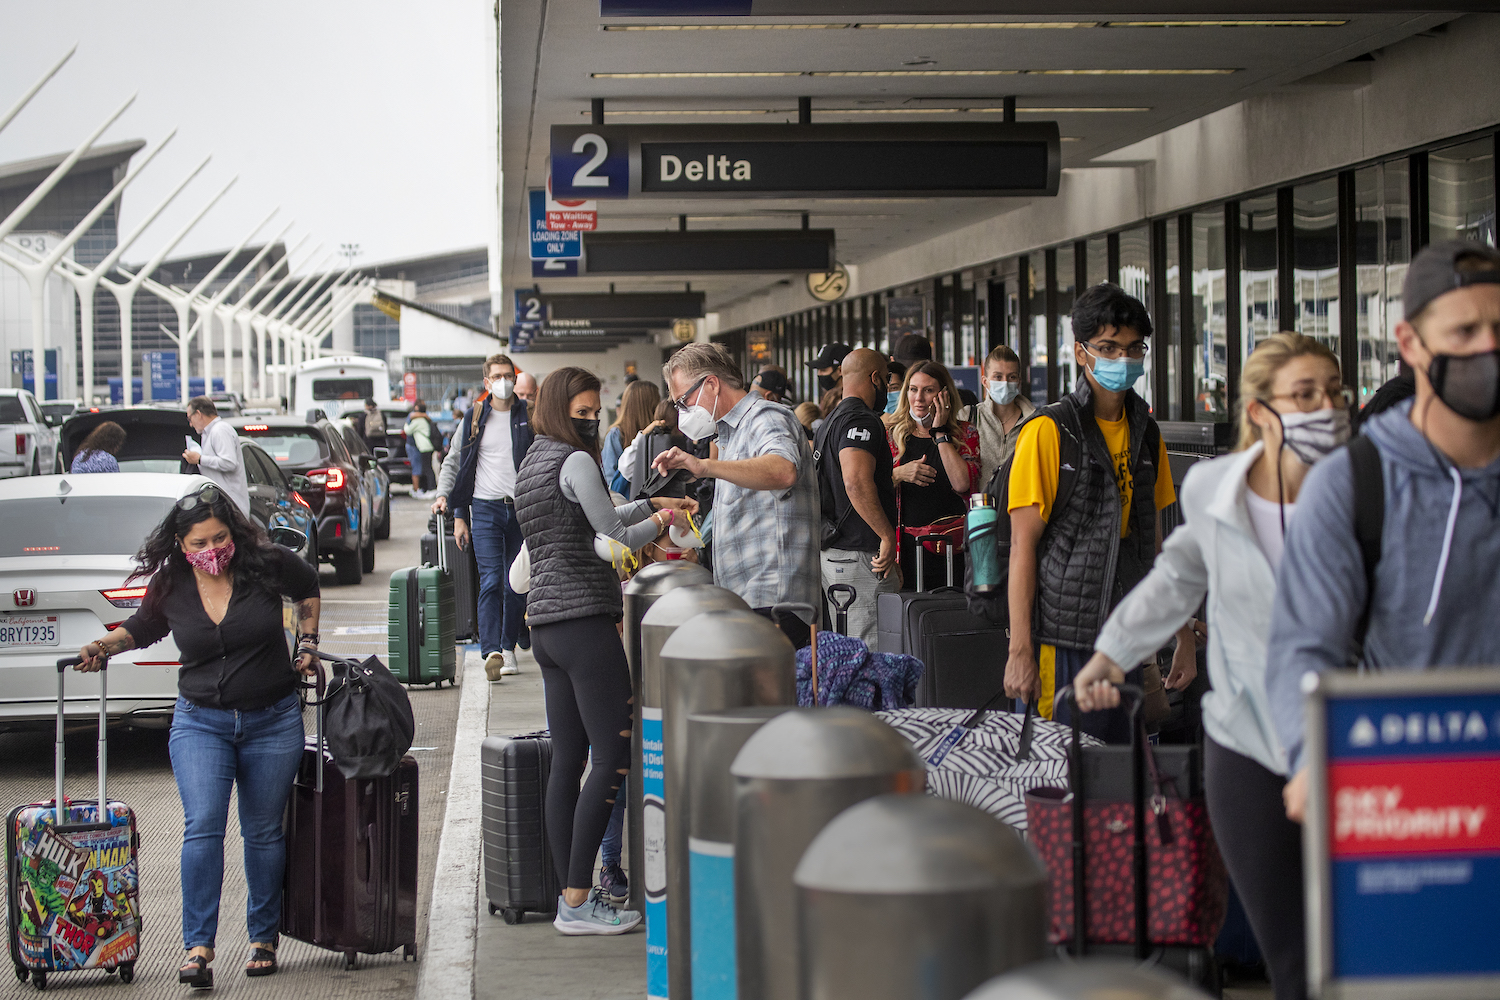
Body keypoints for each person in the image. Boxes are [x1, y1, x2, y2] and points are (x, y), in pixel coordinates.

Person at [1071, 332, 1347, 1000]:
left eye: (1333, 394)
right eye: (1304, 395)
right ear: (1259, 409)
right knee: (1293, 955)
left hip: (1349, 736)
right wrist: (1112, 656)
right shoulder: (1216, 492)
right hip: (1246, 736)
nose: (1327, 410)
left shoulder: (1362, 489)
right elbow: (1177, 577)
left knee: (1359, 944)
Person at [1268, 240, 1500, 826]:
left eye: (1499, 328)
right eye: (1465, 332)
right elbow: (1304, 647)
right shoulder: (1355, 485)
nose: (1488, 349)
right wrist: (1309, 758)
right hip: (1411, 797)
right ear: (1410, 345)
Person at [72, 483, 320, 984]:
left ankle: (261, 939)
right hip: (200, 721)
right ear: (182, 547)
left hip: (272, 719)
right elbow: (143, 626)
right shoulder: (173, 582)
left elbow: (308, 586)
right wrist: (103, 644)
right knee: (203, 827)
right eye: (199, 544)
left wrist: (309, 640)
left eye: (219, 539)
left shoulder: (265, 562)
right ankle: (198, 948)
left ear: (234, 533)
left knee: (263, 832)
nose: (211, 551)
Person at [512, 366, 697, 935]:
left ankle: (567, 894)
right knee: (612, 756)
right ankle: (576, 898)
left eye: (596, 411)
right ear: (561, 409)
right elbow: (612, 537)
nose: (592, 420)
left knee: (568, 760)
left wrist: (648, 505)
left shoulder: (532, 463)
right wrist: (666, 516)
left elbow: (599, 520)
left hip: (545, 626)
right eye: (584, 412)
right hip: (585, 623)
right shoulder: (575, 460)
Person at [1003, 283, 1195, 741]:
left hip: (1124, 639)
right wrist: (1020, 649)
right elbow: (1022, 548)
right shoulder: (1050, 431)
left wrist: (1181, 632)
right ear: (1081, 352)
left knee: (1117, 778)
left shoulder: (1146, 433)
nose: (1121, 359)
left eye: (1133, 349)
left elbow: (1152, 544)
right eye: (1107, 348)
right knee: (1057, 776)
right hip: (1059, 638)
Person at [652, 343, 820, 648]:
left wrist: (703, 466)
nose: (683, 412)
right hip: (750, 600)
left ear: (712, 384)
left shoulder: (765, 417)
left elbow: (783, 470)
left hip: (774, 601)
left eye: (684, 401)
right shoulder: (731, 432)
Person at [442, 354, 536, 681]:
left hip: (522, 509)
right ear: (487, 382)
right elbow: (458, 465)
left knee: (516, 584)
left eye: (508, 375)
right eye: (497, 376)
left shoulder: (528, 416)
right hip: (484, 509)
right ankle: (492, 650)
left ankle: (508, 646)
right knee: (492, 579)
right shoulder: (474, 417)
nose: (503, 381)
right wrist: (457, 514)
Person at [816, 349, 900, 642]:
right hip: (858, 555)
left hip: (836, 553)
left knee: (848, 649)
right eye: (888, 379)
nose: (889, 387)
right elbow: (856, 482)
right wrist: (887, 536)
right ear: (875, 377)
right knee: (870, 651)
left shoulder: (830, 421)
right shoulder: (861, 420)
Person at [883, 360, 979, 591]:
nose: (919, 398)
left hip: (953, 545)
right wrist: (898, 474)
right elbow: (874, 487)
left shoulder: (965, 432)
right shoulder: (891, 434)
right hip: (906, 547)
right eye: (913, 390)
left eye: (928, 390)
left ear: (944, 395)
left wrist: (940, 432)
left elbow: (962, 483)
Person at [970, 345, 1036, 490]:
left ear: (1018, 382)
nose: (1005, 383)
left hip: (1020, 507)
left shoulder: (1034, 422)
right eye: (998, 377)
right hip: (980, 509)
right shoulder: (969, 418)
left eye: (1011, 377)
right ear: (985, 381)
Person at [183, 397, 249, 515]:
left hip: (231, 505)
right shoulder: (208, 433)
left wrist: (199, 459)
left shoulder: (220, 430)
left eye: (190, 418)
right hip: (221, 503)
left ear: (198, 414)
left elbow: (229, 463)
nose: (190, 424)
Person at [601, 379, 660, 495]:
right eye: (656, 403)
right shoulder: (616, 434)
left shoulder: (656, 432)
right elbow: (611, 483)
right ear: (647, 406)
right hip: (627, 505)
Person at [404, 403, 437, 497]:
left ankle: (431, 488)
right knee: (428, 468)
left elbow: (407, 430)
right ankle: (429, 488)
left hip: (424, 447)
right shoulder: (424, 419)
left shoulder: (418, 421)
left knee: (427, 469)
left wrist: (406, 423)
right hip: (426, 447)